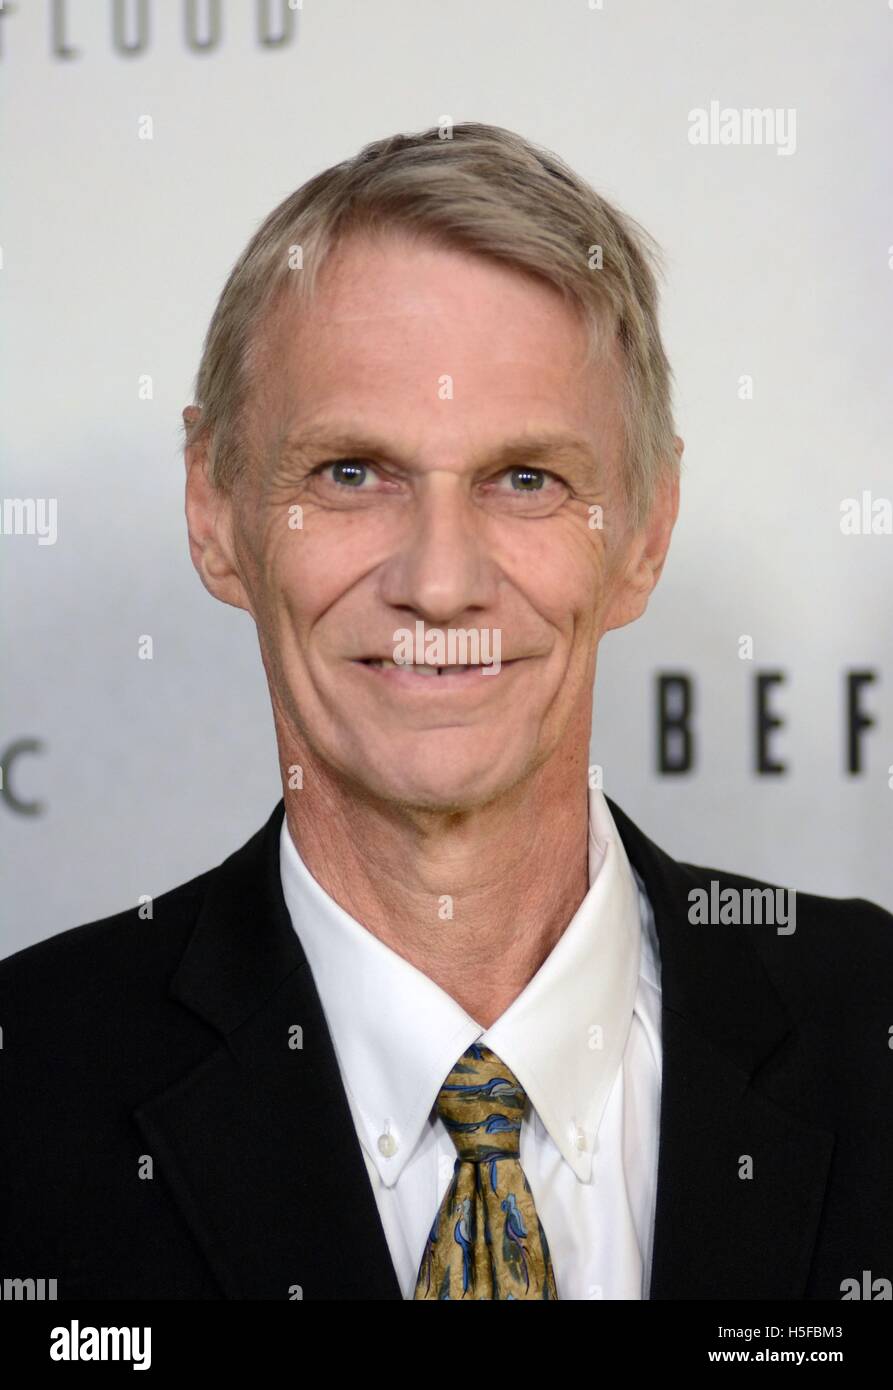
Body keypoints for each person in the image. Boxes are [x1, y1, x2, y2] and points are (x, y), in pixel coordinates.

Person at [1, 123, 891, 1301]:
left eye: (524, 479)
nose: (436, 577)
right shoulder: (29, 1091)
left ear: (645, 531)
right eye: (350, 473)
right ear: (214, 509)